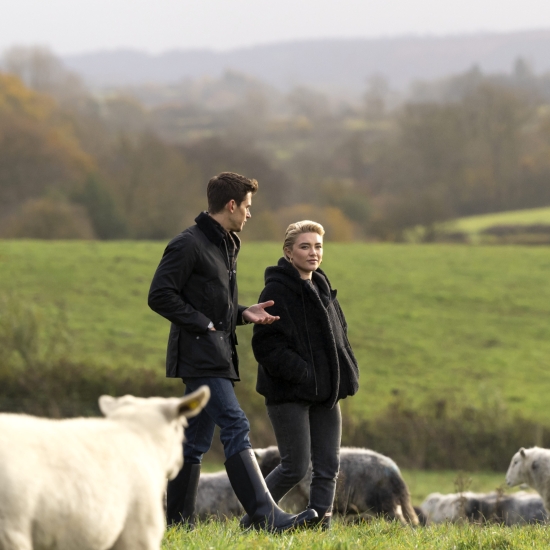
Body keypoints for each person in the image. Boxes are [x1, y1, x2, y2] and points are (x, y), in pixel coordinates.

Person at [147, 173, 316, 533]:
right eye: (248, 207)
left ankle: (177, 523)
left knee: (193, 442)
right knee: (236, 425)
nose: (250, 215)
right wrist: (202, 324)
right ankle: (265, 515)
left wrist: (242, 313)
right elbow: (159, 294)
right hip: (199, 355)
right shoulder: (187, 244)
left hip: (219, 352)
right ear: (231, 205)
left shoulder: (227, 243)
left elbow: (211, 299)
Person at [250, 220, 360, 529]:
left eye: (318, 246)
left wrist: (346, 370)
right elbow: (266, 346)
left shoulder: (322, 286)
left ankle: (317, 528)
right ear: (288, 252)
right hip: (289, 395)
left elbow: (340, 337)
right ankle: (253, 520)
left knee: (328, 466)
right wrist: (304, 376)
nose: (313, 253)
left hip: (326, 393)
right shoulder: (275, 290)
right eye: (305, 246)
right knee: (294, 467)